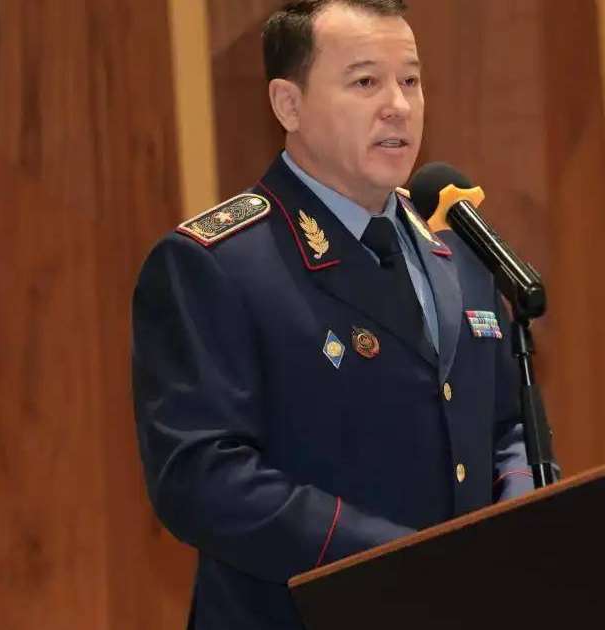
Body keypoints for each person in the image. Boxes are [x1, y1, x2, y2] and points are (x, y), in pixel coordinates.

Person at [131, 1, 533, 628]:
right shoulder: (217, 264)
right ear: (289, 105)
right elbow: (200, 476)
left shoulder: (460, 250)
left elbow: (509, 423)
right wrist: (395, 558)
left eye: (412, 80)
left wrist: (522, 512)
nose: (398, 105)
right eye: (366, 81)